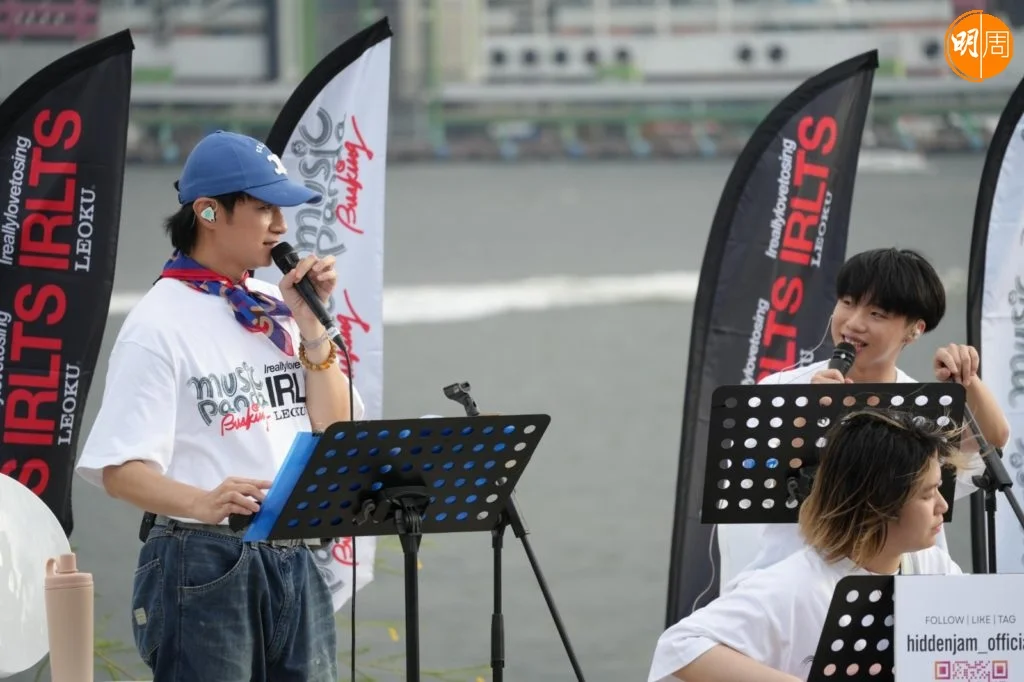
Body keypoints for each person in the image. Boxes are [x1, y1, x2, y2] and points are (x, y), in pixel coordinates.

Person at [75, 130, 364, 682]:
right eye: (263, 209)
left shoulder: (277, 305)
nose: (280, 226)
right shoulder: (158, 323)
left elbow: (337, 428)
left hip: (294, 549)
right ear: (208, 212)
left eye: (281, 210)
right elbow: (119, 468)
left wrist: (312, 328)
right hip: (203, 554)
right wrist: (204, 501)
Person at [716, 247, 1009, 591]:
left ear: (914, 330)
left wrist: (968, 382)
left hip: (900, 585)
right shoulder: (782, 388)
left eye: (876, 314)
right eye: (847, 303)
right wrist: (804, 417)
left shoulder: (922, 406)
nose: (853, 323)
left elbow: (992, 442)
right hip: (800, 583)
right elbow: (747, 480)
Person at [649, 409, 966, 682]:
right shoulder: (794, 585)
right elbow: (678, 646)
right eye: (927, 494)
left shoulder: (934, 567)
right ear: (878, 503)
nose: (942, 505)